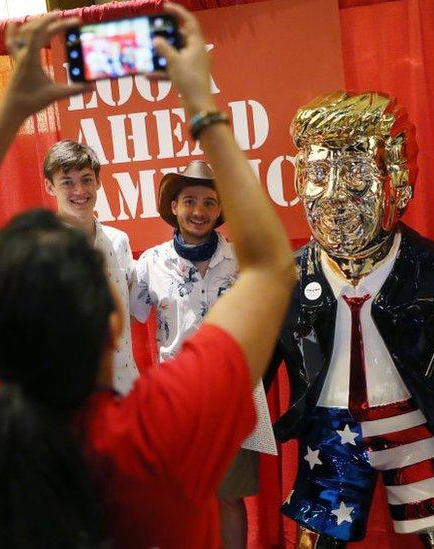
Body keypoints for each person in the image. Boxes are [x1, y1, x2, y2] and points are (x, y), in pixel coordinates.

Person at [0, 5, 295, 547]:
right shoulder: (160, 427)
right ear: (114, 318)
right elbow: (272, 266)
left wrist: (7, 116)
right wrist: (202, 108)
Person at [268, 90, 434, 547]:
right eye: (319, 175)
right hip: (330, 435)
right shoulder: (285, 278)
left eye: (356, 177)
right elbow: (254, 364)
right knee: (314, 542)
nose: (333, 197)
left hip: (416, 427)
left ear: (399, 184)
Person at [130, 160, 272, 548]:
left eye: (210, 202)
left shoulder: (242, 259)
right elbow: (128, 312)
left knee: (228, 496)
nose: (199, 211)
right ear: (173, 207)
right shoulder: (150, 265)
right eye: (189, 200)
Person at [43, 139, 139, 394]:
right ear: (50, 187)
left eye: (86, 179)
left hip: (124, 388)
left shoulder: (119, 242)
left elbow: (127, 313)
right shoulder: (37, 250)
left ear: (98, 181)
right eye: (67, 182)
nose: (79, 190)